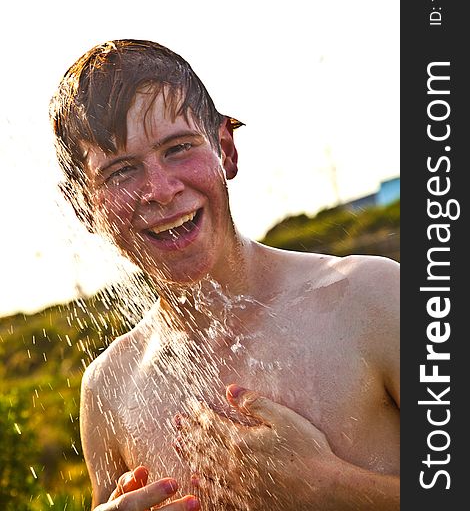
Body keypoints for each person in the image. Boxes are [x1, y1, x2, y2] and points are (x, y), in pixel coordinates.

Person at [50, 39, 400, 510]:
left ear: (226, 150)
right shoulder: (108, 389)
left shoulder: (373, 298)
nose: (159, 189)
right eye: (120, 172)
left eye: (177, 148)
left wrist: (328, 486)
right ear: (85, 208)